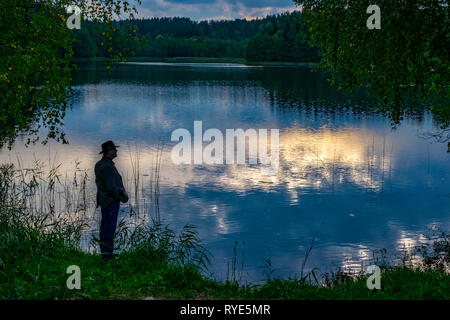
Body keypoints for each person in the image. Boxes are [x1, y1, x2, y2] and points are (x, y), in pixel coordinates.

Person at [94, 140, 129, 260]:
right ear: (109, 152)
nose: (116, 151)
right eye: (114, 149)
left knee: (105, 227)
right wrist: (120, 196)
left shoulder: (100, 164)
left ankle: (106, 254)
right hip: (110, 201)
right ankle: (107, 256)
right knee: (109, 228)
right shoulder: (107, 166)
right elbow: (111, 187)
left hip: (104, 200)